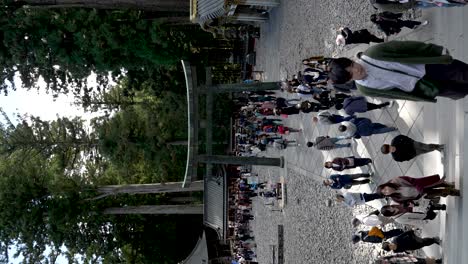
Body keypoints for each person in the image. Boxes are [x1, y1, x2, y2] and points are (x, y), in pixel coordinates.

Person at [328, 41, 468, 102]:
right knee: (459, 91)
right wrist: (418, 96)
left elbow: (406, 47)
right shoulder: (365, 89)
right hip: (424, 87)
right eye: (351, 73)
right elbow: (394, 94)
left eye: (352, 64)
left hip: (427, 66)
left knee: (463, 73)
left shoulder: (373, 53)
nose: (356, 68)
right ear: (348, 80)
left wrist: (436, 50)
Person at [377, 175, 459, 203]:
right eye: (385, 193)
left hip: (422, 186)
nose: (387, 192)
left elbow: (412, 180)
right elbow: (405, 202)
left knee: (437, 184)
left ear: (386, 185)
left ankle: (448, 184)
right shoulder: (395, 198)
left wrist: (420, 189)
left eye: (385, 189)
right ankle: (454, 192)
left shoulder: (397, 180)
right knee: (440, 192)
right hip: (422, 195)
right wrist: (409, 204)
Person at [380, 203, 446, 226]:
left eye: (388, 207)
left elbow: (404, 203)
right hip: (420, 215)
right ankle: (439, 211)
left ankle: (441, 207)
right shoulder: (398, 219)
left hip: (418, 207)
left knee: (432, 206)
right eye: (389, 210)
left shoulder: (394, 204)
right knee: (432, 214)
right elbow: (411, 221)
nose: (390, 208)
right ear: (389, 213)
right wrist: (422, 222)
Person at [374, 253, 442, 264]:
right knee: (422, 262)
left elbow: (396, 254)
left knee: (422, 261)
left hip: (408, 260)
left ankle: (436, 261)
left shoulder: (387, 258)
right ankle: (436, 262)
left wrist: (405, 254)